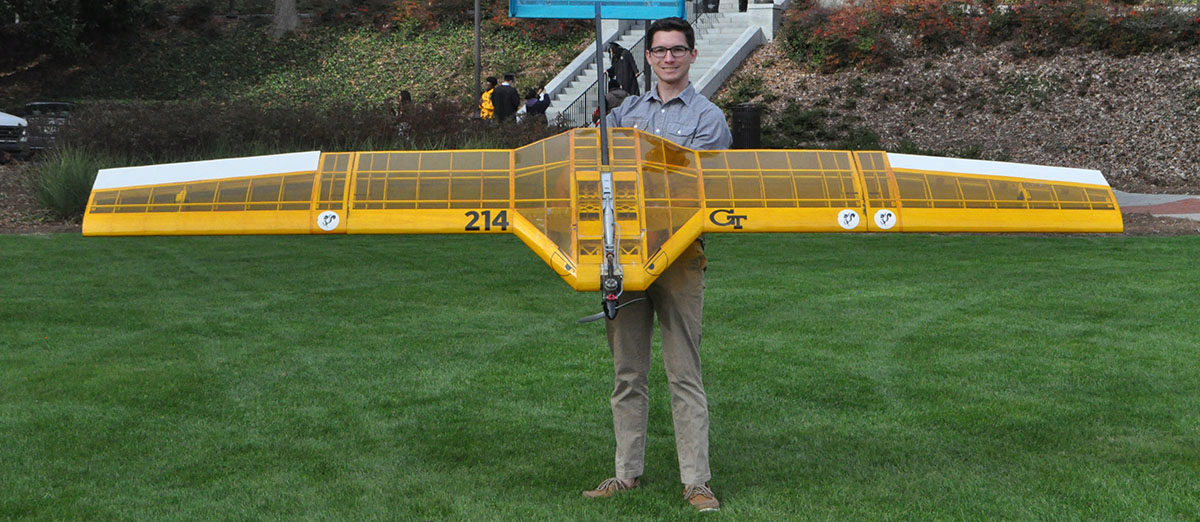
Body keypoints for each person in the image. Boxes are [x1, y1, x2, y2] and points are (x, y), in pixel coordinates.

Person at [582, 16, 731, 513]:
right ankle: (625, 474)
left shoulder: (710, 119)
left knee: (684, 371)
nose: (669, 57)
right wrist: (599, 135)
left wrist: (643, 173)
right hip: (625, 255)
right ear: (648, 57)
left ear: (691, 56)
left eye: (677, 50)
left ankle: (697, 481)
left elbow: (697, 188)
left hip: (681, 256)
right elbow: (595, 167)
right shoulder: (624, 114)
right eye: (660, 50)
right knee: (628, 374)